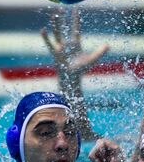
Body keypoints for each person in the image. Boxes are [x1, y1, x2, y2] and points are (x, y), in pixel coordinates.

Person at [41, 8, 109, 141]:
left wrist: (46, 38)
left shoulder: (68, 67)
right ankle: (59, 21)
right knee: (85, 132)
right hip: (74, 109)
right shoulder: (67, 67)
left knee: (84, 132)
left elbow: (58, 48)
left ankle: (58, 20)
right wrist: (46, 39)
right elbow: (58, 49)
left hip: (73, 109)